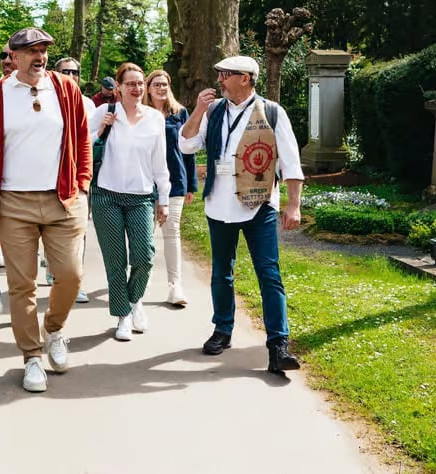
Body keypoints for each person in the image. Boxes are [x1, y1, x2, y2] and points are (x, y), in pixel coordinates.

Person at [0, 27, 91, 392]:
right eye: (31, 51)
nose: (39, 57)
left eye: (44, 50)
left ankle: (53, 328)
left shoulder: (66, 88)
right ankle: (32, 357)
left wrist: (83, 182)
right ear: (14, 57)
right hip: (13, 202)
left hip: (63, 199)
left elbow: (82, 137)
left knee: (70, 276)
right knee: (22, 285)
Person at [178, 55, 305, 375]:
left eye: (225, 74)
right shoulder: (215, 110)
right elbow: (187, 145)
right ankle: (223, 329)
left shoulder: (273, 112)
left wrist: (294, 205)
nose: (219, 79)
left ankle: (278, 344)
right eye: (219, 73)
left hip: (260, 205)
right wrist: (197, 110)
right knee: (222, 271)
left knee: (269, 273)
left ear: (245, 78)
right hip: (219, 205)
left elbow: (291, 162)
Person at [90, 63, 170, 341]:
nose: (136, 88)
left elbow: (160, 161)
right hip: (106, 195)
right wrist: (100, 130)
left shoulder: (154, 118)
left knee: (144, 257)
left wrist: (164, 199)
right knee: (115, 260)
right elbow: (82, 149)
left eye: (140, 83)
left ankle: (136, 301)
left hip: (141, 197)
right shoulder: (104, 112)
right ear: (119, 88)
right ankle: (123, 316)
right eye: (130, 84)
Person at [143, 69, 197, 307]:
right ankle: (139, 280)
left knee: (171, 231)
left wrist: (191, 184)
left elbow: (188, 149)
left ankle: (175, 286)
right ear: (148, 88)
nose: (161, 88)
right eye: (156, 84)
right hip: (145, 182)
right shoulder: (140, 113)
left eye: (164, 84)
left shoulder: (180, 113)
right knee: (145, 236)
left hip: (175, 181)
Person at [51, 57, 94, 303]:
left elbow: (92, 138)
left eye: (74, 71)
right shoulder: (46, 99)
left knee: (79, 231)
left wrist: (84, 181)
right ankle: (55, 271)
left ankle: (76, 283)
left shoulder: (88, 104)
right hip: (50, 180)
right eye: (65, 71)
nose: (70, 75)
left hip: (78, 179)